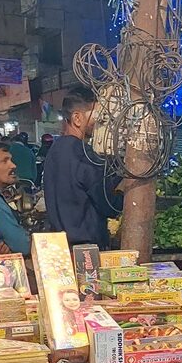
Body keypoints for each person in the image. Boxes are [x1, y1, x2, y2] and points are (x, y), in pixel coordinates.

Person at [42, 88, 122, 249]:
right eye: (97, 117)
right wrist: (124, 190)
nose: (100, 123)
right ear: (77, 118)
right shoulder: (83, 153)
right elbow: (109, 205)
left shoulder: (55, 150)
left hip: (61, 247)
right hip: (87, 248)